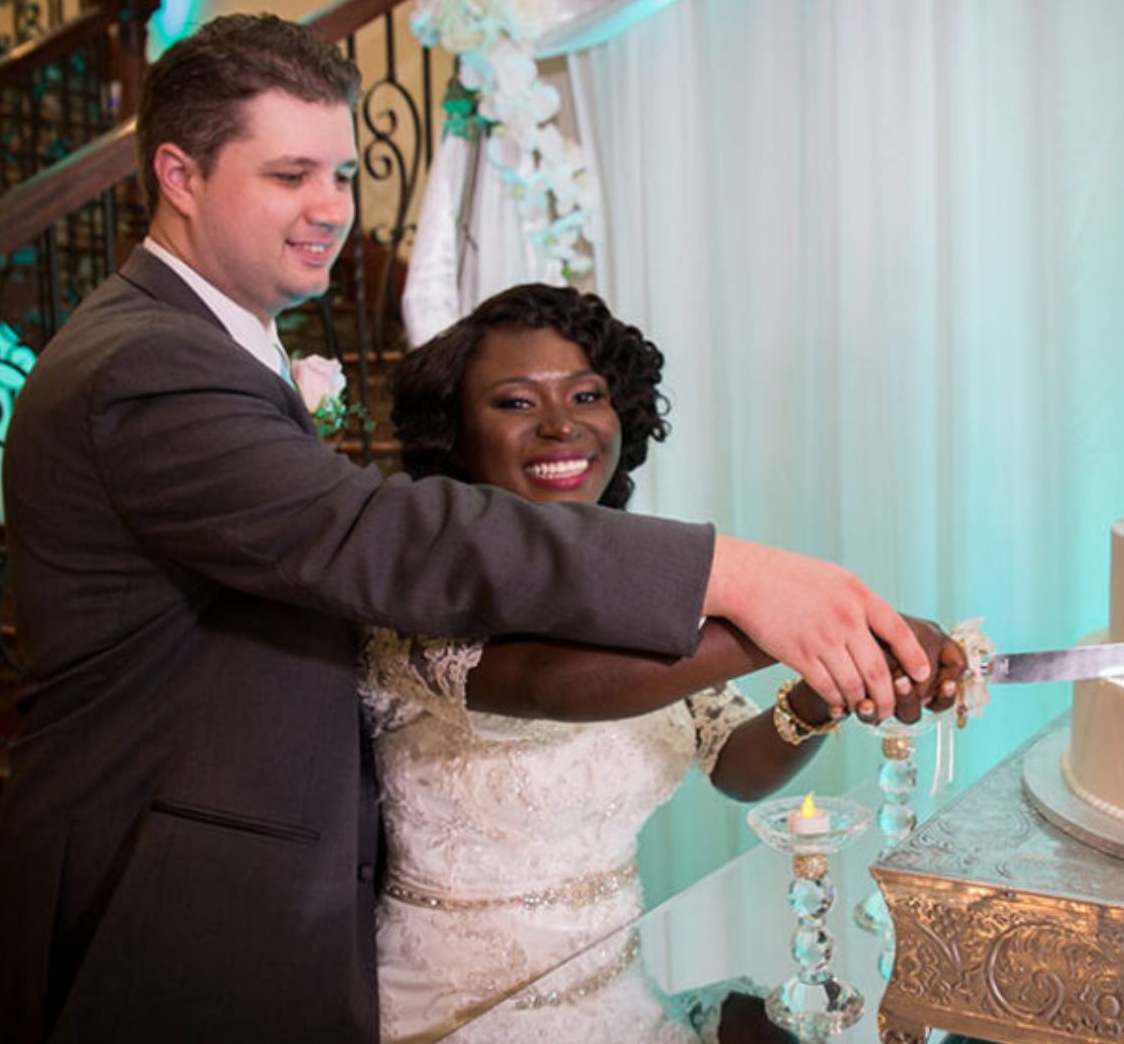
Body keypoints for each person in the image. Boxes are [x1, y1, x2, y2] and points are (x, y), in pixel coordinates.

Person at [0, 14, 930, 1043]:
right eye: (289, 175)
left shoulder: (222, 347)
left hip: (334, 910)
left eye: (342, 175)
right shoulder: (145, 362)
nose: (330, 209)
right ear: (178, 173)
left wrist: (813, 670)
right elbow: (374, 536)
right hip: (168, 894)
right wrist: (745, 583)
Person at [363, 284, 965, 1041]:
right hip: (453, 1017)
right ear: (452, 434)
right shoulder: (412, 583)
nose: (561, 424)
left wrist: (824, 689)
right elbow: (549, 685)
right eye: (516, 402)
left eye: (587, 395)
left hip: (621, 1000)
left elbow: (737, 766)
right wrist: (785, 622)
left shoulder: (643, 585)